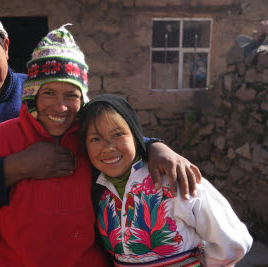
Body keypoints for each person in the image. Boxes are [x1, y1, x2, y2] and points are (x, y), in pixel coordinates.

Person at [0, 3, 201, 266]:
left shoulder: (42, 85)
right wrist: (22, 164)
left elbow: (102, 127)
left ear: (6, 47)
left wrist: (153, 147)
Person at [80, 94, 253, 266]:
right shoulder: (99, 192)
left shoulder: (173, 178)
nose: (108, 147)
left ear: (135, 135)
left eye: (118, 134)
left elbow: (234, 241)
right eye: (95, 139)